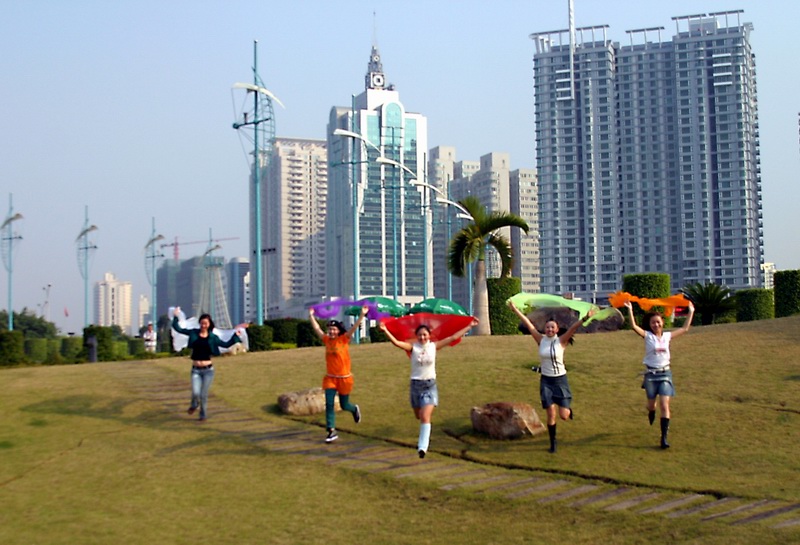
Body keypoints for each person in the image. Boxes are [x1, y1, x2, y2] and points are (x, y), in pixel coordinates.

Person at [379, 317, 479, 458]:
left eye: (425, 335)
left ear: (429, 335)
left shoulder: (434, 346)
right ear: (416, 336)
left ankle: (422, 447)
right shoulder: (413, 347)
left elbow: (453, 337)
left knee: (425, 416)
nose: (422, 337)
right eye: (420, 335)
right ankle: (422, 442)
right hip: (415, 385)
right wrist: (385, 331)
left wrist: (470, 326)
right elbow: (397, 343)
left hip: (429, 385)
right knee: (418, 415)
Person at [508, 301, 595, 453]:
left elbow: (574, 328)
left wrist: (585, 318)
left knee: (564, 415)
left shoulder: (561, 341)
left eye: (552, 327)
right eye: (547, 327)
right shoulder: (540, 340)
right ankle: (552, 443)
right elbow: (528, 324)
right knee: (551, 413)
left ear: (557, 330)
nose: (549, 329)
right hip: (546, 381)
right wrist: (515, 309)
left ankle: (568, 410)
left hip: (560, 380)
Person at [624, 301, 695, 449]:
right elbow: (634, 327)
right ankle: (651, 412)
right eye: (652, 323)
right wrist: (630, 310)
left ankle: (664, 438)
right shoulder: (648, 336)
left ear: (662, 322)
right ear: (649, 325)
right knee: (651, 405)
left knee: (665, 404)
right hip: (650, 375)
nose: (655, 325)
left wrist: (691, 311)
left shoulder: (667, 336)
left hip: (665, 374)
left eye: (658, 322)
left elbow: (685, 328)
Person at [171, 307, 244, 421]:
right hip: (195, 369)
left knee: (203, 395)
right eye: (202, 323)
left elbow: (225, 344)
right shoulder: (194, 333)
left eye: (205, 323)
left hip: (208, 371)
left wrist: (236, 336)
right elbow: (179, 329)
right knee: (195, 392)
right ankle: (194, 404)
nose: (203, 325)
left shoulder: (212, 337)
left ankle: (203, 415)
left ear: (209, 324)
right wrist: (175, 316)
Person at [309, 305, 370, 443]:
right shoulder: (326, 340)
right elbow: (317, 329)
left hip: (344, 378)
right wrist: (311, 316)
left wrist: (362, 315)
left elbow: (353, 329)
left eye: (334, 329)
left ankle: (354, 409)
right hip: (330, 378)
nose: (331, 331)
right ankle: (331, 430)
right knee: (329, 404)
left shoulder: (343, 339)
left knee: (344, 405)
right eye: (329, 329)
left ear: (338, 330)